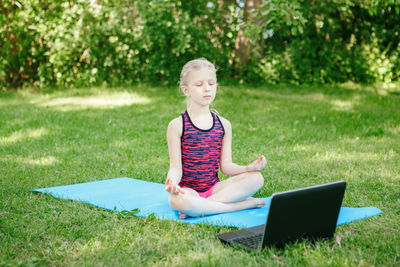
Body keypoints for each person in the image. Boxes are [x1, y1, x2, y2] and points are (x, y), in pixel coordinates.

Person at [165, 58, 267, 219]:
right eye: (199, 85)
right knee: (176, 201)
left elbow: (226, 166)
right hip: (189, 191)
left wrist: (248, 168)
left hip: (215, 189)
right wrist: (172, 183)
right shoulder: (177, 125)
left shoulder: (224, 125)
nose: (207, 89)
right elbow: (175, 167)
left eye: (211, 84)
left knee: (257, 178)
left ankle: (202, 208)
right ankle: (240, 205)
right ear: (186, 90)